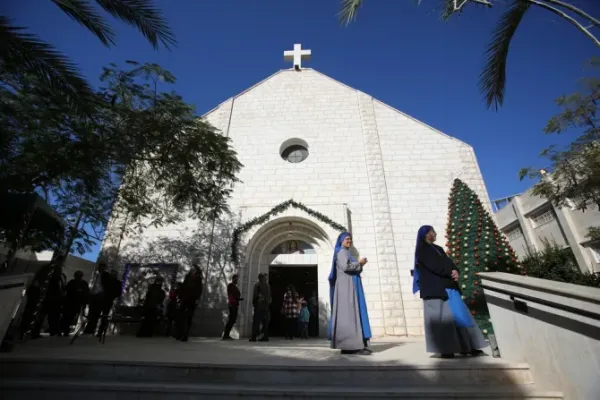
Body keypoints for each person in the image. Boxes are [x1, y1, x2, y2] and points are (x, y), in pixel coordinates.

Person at [413, 225, 487, 358]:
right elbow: (434, 266)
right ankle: (446, 349)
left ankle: (469, 347)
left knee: (461, 317)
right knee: (442, 321)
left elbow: (449, 263)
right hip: (435, 290)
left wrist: (455, 270)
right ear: (425, 235)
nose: (435, 234)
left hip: (449, 287)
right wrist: (449, 271)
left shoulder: (438, 249)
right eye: (432, 232)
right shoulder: (422, 250)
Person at [328, 232, 372, 355]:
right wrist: (360, 263)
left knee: (350, 315)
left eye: (350, 239)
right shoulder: (342, 252)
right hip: (345, 289)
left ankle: (351, 346)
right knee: (348, 316)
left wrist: (358, 264)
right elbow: (346, 267)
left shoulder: (346, 252)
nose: (349, 241)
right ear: (341, 241)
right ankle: (352, 346)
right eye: (347, 239)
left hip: (349, 287)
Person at [176, 265, 203, 342]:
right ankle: (179, 334)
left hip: (192, 300)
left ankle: (185, 335)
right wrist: (180, 296)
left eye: (193, 269)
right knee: (181, 316)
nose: (192, 270)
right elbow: (183, 287)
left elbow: (199, 289)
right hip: (185, 299)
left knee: (189, 317)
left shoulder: (198, 279)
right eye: (191, 269)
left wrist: (197, 298)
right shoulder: (187, 277)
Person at [61, 270, 89, 336]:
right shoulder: (72, 282)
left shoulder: (82, 283)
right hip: (71, 302)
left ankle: (66, 329)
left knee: (71, 316)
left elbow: (86, 292)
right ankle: (65, 329)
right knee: (68, 316)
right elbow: (67, 290)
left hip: (77, 303)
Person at [249, 272, 271, 342]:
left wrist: (254, 304)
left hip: (259, 306)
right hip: (265, 306)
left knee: (256, 322)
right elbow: (269, 297)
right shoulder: (267, 285)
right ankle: (265, 336)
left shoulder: (257, 285)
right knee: (265, 322)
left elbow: (255, 295)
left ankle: (254, 337)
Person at [222, 274, 243, 340]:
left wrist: (239, 299)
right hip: (232, 305)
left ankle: (226, 334)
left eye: (237, 279)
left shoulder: (234, 286)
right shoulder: (231, 286)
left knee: (232, 320)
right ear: (233, 279)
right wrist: (236, 299)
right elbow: (231, 295)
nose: (237, 280)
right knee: (231, 320)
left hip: (235, 304)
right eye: (236, 279)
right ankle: (226, 335)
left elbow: (236, 296)